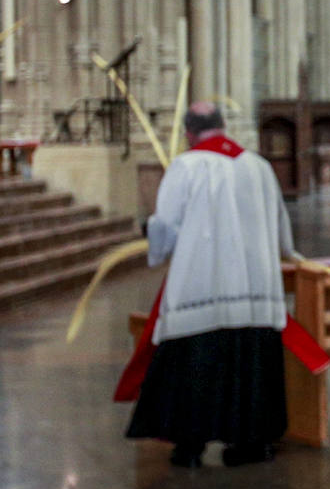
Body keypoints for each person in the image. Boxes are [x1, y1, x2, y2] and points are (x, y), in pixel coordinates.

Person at [124, 102, 297, 468]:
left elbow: (166, 229)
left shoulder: (185, 166)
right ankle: (253, 442)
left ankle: (190, 446)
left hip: (201, 287)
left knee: (196, 368)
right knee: (249, 369)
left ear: (189, 132)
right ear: (223, 126)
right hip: (256, 290)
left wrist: (148, 232)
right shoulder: (259, 166)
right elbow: (282, 230)